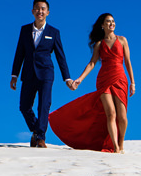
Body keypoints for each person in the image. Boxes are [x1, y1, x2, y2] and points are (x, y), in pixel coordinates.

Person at [49, 13, 135, 152]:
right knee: (111, 114)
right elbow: (92, 63)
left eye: (113, 21)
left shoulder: (123, 40)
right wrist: (79, 79)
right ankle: (116, 147)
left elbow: (128, 62)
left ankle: (121, 143)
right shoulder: (99, 44)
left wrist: (132, 82)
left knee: (122, 117)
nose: (111, 24)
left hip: (120, 79)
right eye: (108, 22)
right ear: (102, 25)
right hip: (104, 80)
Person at [10, 0, 72, 148]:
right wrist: (14, 75)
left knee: (44, 105)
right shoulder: (24, 30)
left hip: (46, 74)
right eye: (37, 8)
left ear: (48, 12)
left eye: (43, 9)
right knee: (24, 106)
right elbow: (19, 53)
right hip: (28, 73)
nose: (40, 11)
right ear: (32, 11)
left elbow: (60, 56)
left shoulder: (54, 32)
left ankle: (40, 138)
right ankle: (36, 131)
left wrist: (67, 78)